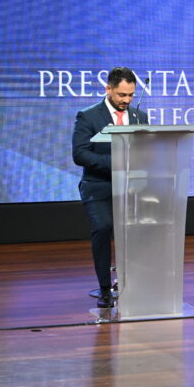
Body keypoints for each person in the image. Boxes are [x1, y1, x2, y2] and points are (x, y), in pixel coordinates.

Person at [72, 67, 149, 308]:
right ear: (108, 89)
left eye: (131, 95)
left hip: (131, 187)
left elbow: (144, 150)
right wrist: (116, 163)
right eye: (121, 95)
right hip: (98, 186)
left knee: (138, 232)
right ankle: (105, 288)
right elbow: (80, 154)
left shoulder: (140, 117)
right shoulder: (88, 116)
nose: (127, 100)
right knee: (103, 228)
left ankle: (132, 285)